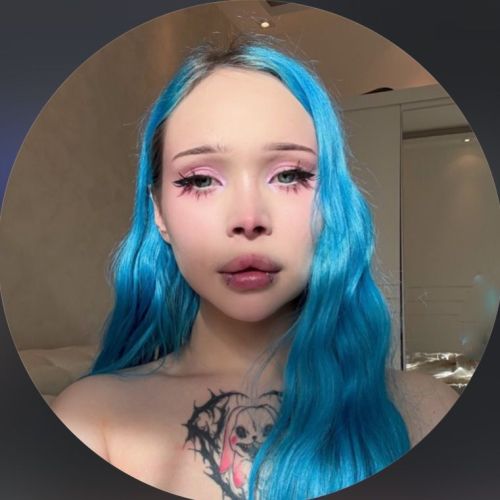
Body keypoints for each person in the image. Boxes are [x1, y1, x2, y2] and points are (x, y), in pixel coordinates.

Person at [52, 36, 458, 500]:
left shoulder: (425, 411)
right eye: (200, 180)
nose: (248, 217)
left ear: (332, 204)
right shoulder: (91, 422)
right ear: (159, 212)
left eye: (289, 175)